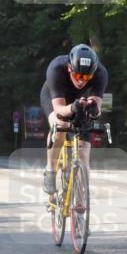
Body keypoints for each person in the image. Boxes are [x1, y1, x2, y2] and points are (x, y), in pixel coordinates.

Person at [41, 44, 108, 194]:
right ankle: (50, 170)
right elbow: (59, 109)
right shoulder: (56, 68)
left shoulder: (100, 73)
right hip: (55, 98)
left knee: (84, 150)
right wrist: (72, 108)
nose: (81, 81)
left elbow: (96, 110)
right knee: (60, 125)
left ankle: (80, 195)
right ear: (70, 69)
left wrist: (94, 109)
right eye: (78, 76)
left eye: (87, 77)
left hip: (79, 100)